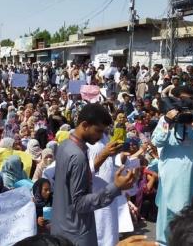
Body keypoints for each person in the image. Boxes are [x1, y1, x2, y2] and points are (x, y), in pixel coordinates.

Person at [51, 103, 136, 246]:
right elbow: (79, 204)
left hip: (63, 225)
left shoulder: (65, 145)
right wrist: (115, 187)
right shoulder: (77, 155)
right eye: (98, 131)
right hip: (76, 232)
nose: (100, 136)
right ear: (84, 125)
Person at [152, 85, 193, 245]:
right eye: (183, 99)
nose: (186, 103)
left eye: (190, 99)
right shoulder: (165, 119)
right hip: (171, 177)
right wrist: (168, 122)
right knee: (168, 213)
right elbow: (156, 141)